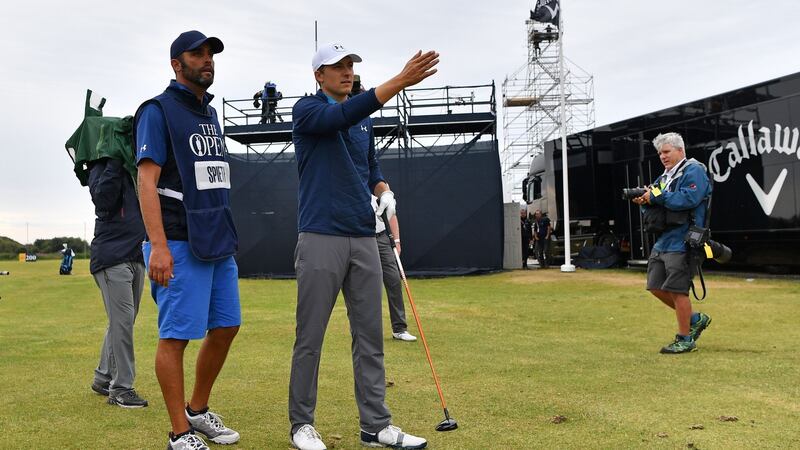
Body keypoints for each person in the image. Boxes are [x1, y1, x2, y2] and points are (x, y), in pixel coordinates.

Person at [288, 42, 438, 450]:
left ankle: (375, 425)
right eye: (337, 67)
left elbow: (368, 166)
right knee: (310, 337)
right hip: (320, 235)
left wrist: (383, 189)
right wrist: (400, 82)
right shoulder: (308, 110)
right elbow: (342, 115)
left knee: (370, 336)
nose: (346, 71)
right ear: (319, 75)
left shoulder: (363, 121)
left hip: (364, 236)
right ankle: (301, 424)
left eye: (350, 65)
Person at [135, 30, 241, 449]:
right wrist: (158, 245)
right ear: (176, 64)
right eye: (196, 54)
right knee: (175, 337)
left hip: (217, 240)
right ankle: (179, 433)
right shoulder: (157, 111)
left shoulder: (210, 114)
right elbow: (146, 181)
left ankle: (197, 411)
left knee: (227, 326)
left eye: (211, 54)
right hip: (178, 241)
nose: (206, 60)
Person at [632, 132, 712, 354]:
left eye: (666, 152)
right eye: (660, 153)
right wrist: (644, 201)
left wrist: (655, 197)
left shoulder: (694, 171)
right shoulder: (664, 177)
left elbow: (689, 199)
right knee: (655, 285)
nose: (662, 156)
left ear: (680, 150)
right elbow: (655, 200)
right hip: (664, 239)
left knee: (678, 291)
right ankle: (696, 319)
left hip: (684, 239)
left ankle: (685, 339)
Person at [87, 158, 148, 408]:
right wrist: (113, 164)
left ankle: (103, 377)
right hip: (112, 257)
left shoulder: (140, 170)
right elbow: (102, 202)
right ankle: (122, 388)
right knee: (122, 323)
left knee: (122, 322)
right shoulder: (99, 168)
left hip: (137, 254)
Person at [373, 195, 417, 342]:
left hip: (382, 238)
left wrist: (396, 241)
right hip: (362, 238)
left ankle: (399, 329)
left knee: (393, 280)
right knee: (367, 285)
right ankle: (369, 330)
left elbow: (391, 215)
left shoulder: (378, 186)